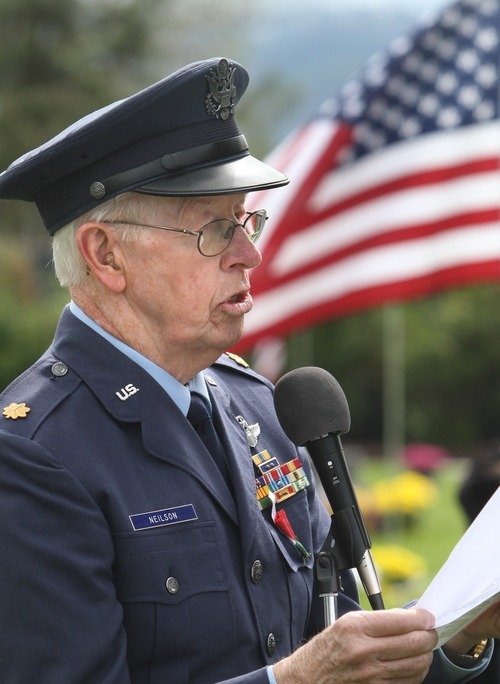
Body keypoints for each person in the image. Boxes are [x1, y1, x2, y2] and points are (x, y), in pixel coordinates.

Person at [0, 57, 498, 684]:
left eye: (246, 220)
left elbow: (339, 639)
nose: (249, 254)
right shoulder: (33, 454)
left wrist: (458, 635)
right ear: (105, 254)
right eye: (213, 229)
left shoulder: (264, 409)